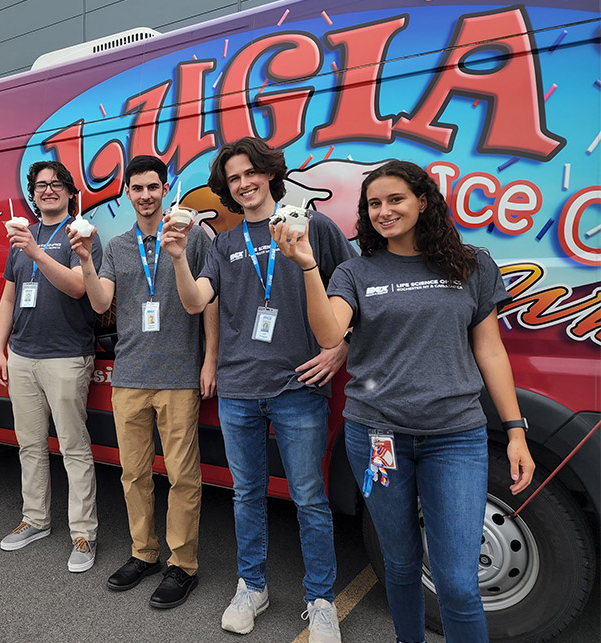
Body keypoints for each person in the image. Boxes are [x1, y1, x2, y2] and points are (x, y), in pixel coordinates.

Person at [272, 160, 535, 643]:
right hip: (377, 436)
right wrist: (308, 265)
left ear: (423, 201)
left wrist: (515, 430)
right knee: (400, 560)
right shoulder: (356, 271)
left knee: (456, 583)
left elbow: (490, 350)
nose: (384, 211)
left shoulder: (470, 263)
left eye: (396, 200)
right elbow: (330, 333)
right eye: (374, 204)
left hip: (455, 437)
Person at [162, 137, 354, 641]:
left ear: (270, 173)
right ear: (225, 188)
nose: (243, 184)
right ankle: (253, 586)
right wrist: (179, 258)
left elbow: (354, 289)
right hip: (239, 388)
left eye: (251, 173)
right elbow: (193, 301)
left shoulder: (311, 227)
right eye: (233, 178)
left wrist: (341, 348)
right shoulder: (224, 243)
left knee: (310, 498)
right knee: (247, 494)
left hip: (298, 387)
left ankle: (321, 599)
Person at [68, 155, 217, 607]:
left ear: (165, 188)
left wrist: (210, 359)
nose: (146, 195)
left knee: (182, 476)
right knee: (133, 475)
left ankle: (182, 565)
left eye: (154, 187)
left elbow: (209, 302)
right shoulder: (115, 246)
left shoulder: (192, 237)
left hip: (178, 376)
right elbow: (100, 303)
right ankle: (144, 553)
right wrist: (86, 262)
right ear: (128, 193)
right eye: (138, 188)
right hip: (130, 377)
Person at [0, 160, 102, 572]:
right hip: (22, 356)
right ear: (33, 195)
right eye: (40, 185)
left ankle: (84, 534)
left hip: (67, 356)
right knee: (30, 445)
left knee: (74, 448)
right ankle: (35, 520)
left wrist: (36, 252)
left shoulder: (81, 234)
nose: (48, 190)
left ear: (71, 193)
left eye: (56, 184)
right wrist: (1, 349)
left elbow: (78, 287)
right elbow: (7, 298)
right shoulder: (22, 236)